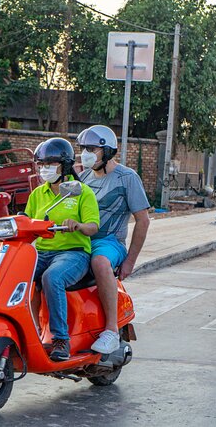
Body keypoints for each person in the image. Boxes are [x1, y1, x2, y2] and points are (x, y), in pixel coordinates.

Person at [76, 125, 151, 354]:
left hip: (110, 242)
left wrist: (129, 261)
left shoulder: (127, 177)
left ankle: (109, 330)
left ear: (107, 151)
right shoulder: (84, 177)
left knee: (99, 262)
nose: (86, 153)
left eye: (91, 149)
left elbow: (143, 220)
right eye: (83, 149)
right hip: (82, 239)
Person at [25, 138, 100, 361]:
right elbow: (27, 222)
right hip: (42, 252)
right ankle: (30, 330)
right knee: (16, 276)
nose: (44, 169)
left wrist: (76, 225)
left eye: (50, 163)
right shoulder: (37, 194)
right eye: (41, 164)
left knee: (52, 278)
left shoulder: (81, 192)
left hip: (74, 253)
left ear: (65, 165)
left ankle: (60, 340)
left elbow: (93, 226)